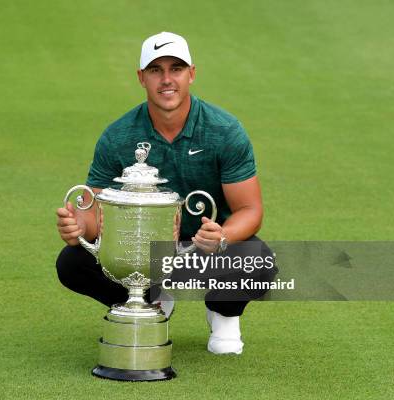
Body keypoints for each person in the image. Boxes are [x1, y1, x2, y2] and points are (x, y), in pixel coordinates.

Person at [55, 32, 276, 355]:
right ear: (141, 77)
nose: (166, 79)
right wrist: (79, 226)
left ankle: (224, 313)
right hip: (142, 252)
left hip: (206, 251)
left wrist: (222, 235)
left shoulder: (224, 131)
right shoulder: (118, 135)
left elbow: (250, 210)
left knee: (258, 259)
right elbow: (94, 210)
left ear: (192, 74)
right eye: (156, 70)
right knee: (72, 263)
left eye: (176, 68)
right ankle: (147, 298)